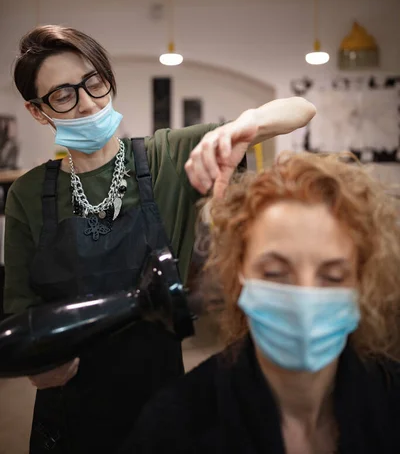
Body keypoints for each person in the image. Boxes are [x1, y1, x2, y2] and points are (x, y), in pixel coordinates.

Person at [3, 24, 316, 454]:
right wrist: (34, 364)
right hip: (68, 410)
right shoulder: (29, 194)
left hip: (159, 400)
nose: (88, 103)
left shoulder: (166, 157)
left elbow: (300, 109)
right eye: (63, 94)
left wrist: (243, 127)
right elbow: (19, 311)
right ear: (38, 111)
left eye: (94, 82)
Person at [127, 152, 400, 454]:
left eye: (332, 277)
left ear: (361, 281)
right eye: (275, 273)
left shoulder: (390, 402)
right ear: (239, 273)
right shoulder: (174, 425)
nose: (304, 297)